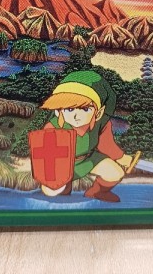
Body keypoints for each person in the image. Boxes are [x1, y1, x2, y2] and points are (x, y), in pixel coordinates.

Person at [38, 70, 133, 202]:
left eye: (85, 109)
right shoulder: (52, 128)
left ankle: (97, 192)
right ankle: (64, 191)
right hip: (63, 164)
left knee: (115, 173)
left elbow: (106, 145)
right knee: (52, 191)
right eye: (69, 109)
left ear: (99, 112)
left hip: (89, 158)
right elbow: (45, 154)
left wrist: (120, 157)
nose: (76, 116)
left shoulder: (101, 124)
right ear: (58, 111)